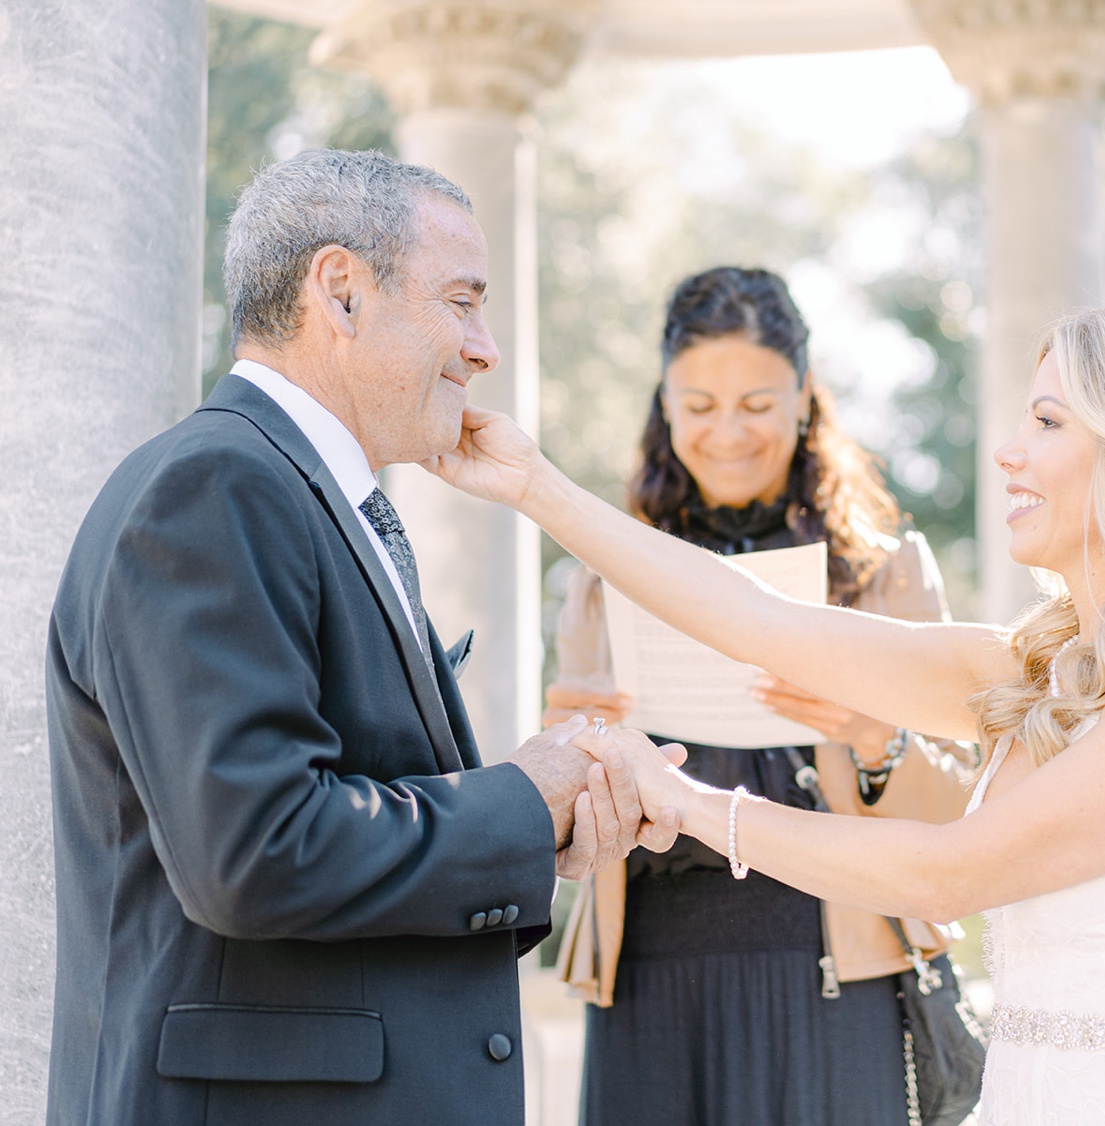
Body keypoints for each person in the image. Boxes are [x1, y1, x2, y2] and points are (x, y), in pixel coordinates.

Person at [428, 300, 1105, 1124]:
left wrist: (686, 799)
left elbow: (955, 870)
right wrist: (537, 488)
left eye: (1045, 421)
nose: (1008, 452)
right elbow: (758, 620)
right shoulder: (1042, 671)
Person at [44, 148, 677, 1126]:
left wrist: (538, 823)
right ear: (340, 292)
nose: (485, 349)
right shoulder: (215, 487)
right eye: (462, 302)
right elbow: (257, 849)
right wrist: (519, 801)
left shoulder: (306, 495)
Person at [544, 266, 973, 1125]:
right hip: (649, 978)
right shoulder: (604, 580)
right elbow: (566, 831)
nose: (727, 433)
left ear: (806, 399)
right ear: (664, 404)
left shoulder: (886, 574)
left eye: (757, 405)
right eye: (699, 407)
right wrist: (563, 747)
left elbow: (968, 807)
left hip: (835, 978)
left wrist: (876, 736)